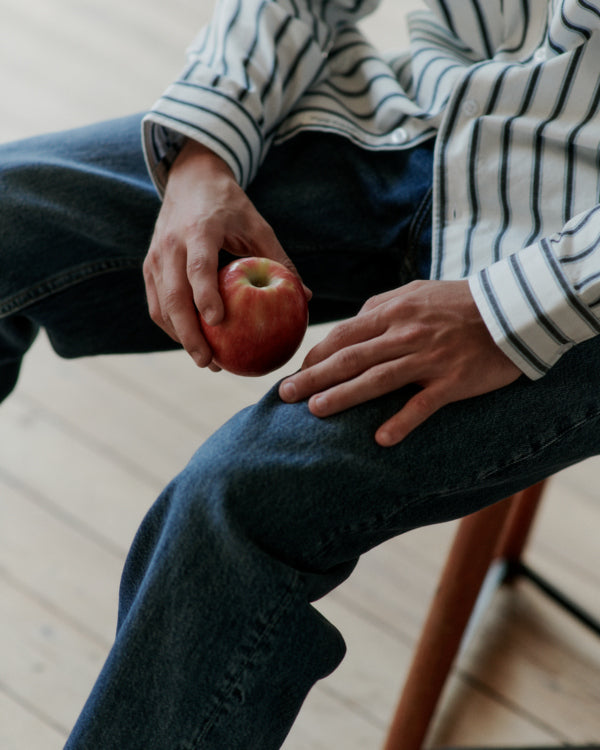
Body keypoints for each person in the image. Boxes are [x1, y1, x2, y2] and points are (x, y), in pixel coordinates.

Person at [1, 0, 600, 747]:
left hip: (580, 271)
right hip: (439, 120)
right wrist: (204, 151)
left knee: (240, 500)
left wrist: (513, 308)